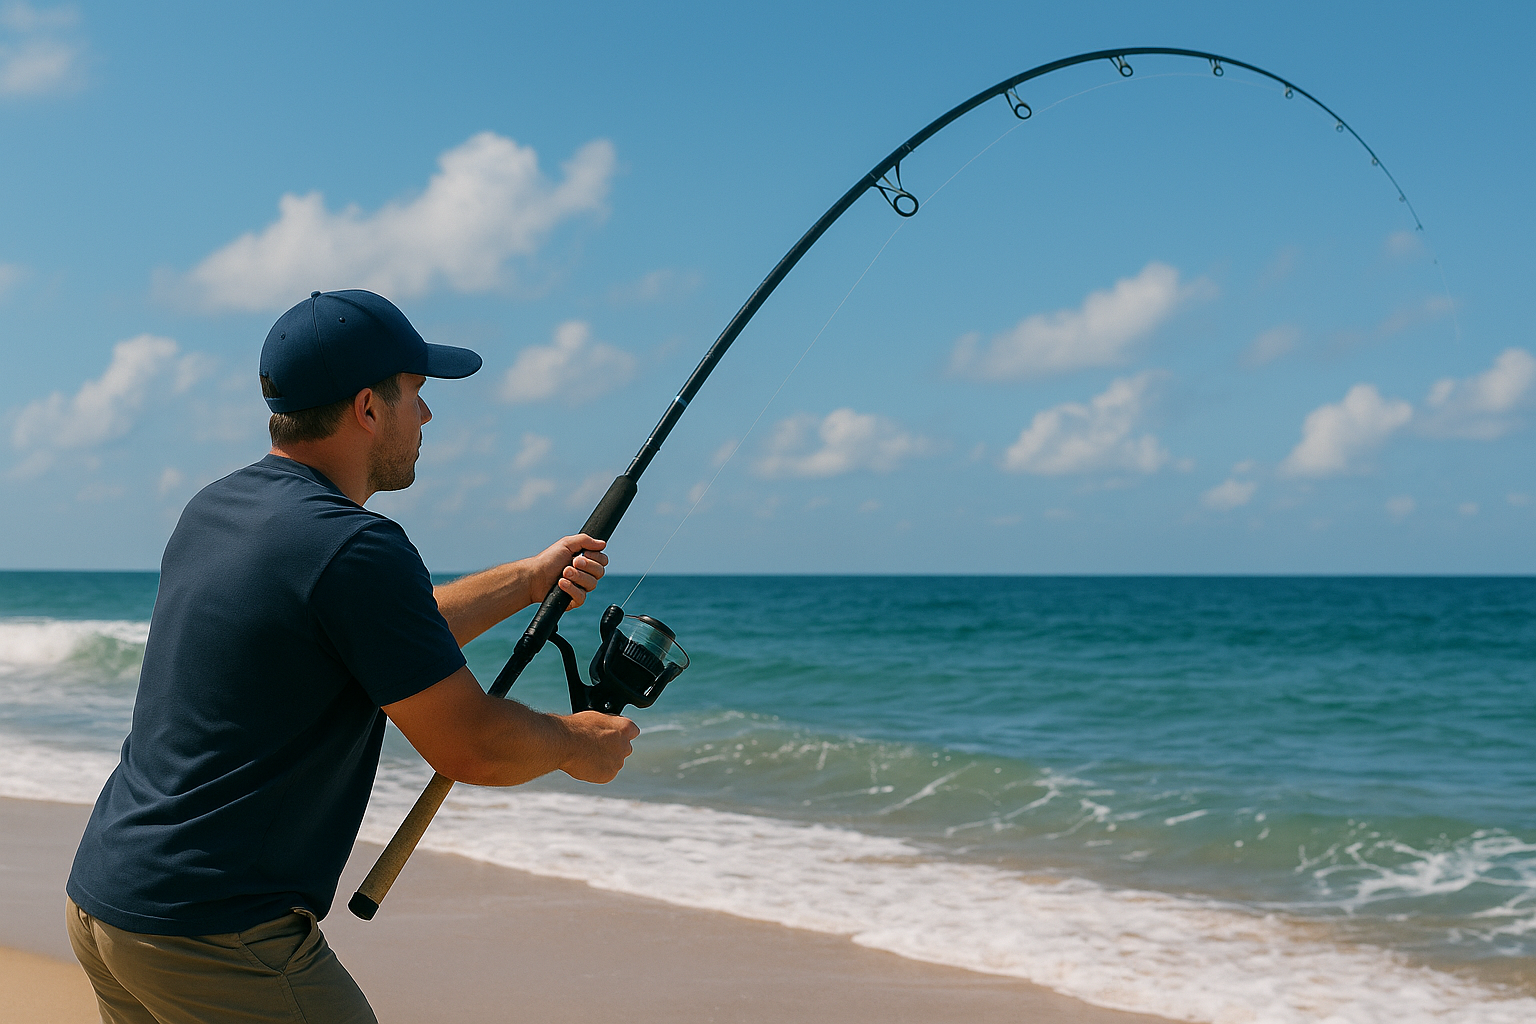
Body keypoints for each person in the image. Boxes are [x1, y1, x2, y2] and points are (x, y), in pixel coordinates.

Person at [64, 289, 639, 1024]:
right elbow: (472, 747)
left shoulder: (217, 507)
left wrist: (525, 582)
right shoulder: (356, 547)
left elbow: (377, 636)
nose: (426, 416)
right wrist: (575, 743)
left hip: (107, 902)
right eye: (416, 396)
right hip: (214, 932)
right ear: (368, 408)